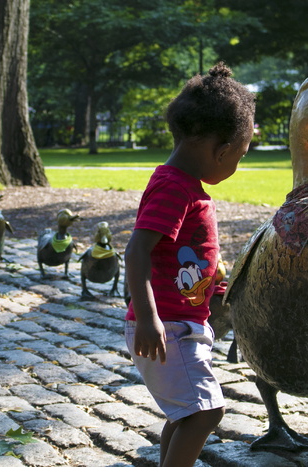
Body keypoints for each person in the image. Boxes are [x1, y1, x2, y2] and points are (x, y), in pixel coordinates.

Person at [124, 62, 256, 467]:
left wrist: (214, 279)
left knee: (186, 414)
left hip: (182, 324)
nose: (235, 167)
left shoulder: (185, 186)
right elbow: (136, 252)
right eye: (239, 155)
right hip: (166, 328)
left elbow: (182, 252)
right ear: (220, 149)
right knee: (206, 413)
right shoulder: (173, 187)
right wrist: (147, 318)